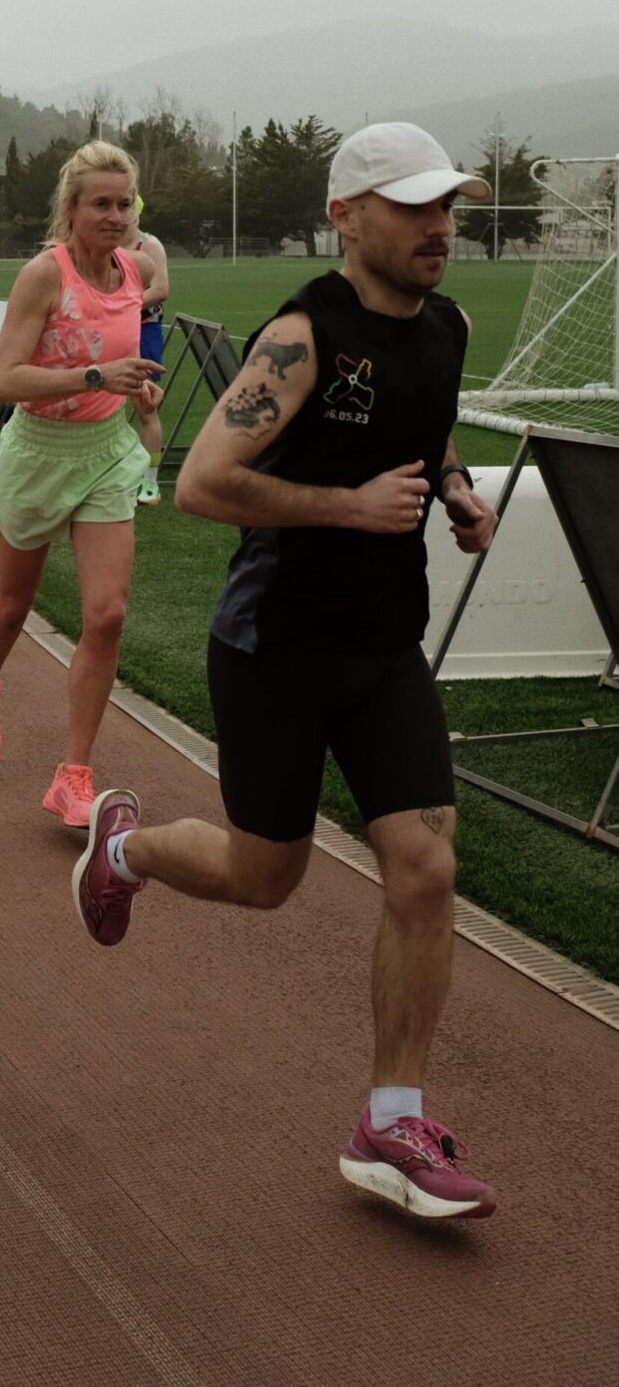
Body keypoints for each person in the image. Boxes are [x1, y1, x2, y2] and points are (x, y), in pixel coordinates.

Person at [72, 122, 502, 1221]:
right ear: (346, 218)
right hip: (273, 650)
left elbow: (428, 431)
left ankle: (388, 1122)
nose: (437, 226)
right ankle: (121, 847)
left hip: (381, 647)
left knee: (423, 869)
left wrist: (452, 491)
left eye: (445, 204)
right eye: (410, 206)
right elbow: (202, 482)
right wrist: (344, 508)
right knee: (269, 877)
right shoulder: (301, 338)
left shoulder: (446, 327)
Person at [0, 141, 164, 827]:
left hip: (106, 450)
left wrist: (138, 403)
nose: (114, 215)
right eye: (99, 203)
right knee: (13, 604)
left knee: (106, 614)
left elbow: (131, 341)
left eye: (123, 203)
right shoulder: (41, 277)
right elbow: (7, 380)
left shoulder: (135, 269)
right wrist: (94, 377)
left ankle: (74, 776)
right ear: (71, 208)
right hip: (38, 451)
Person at [125, 194, 170, 506]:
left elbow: (161, 289)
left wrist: (117, 307)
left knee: (145, 405)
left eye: (128, 208)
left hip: (144, 331)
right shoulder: (103, 245)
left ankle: (150, 484)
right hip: (107, 334)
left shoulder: (148, 245)